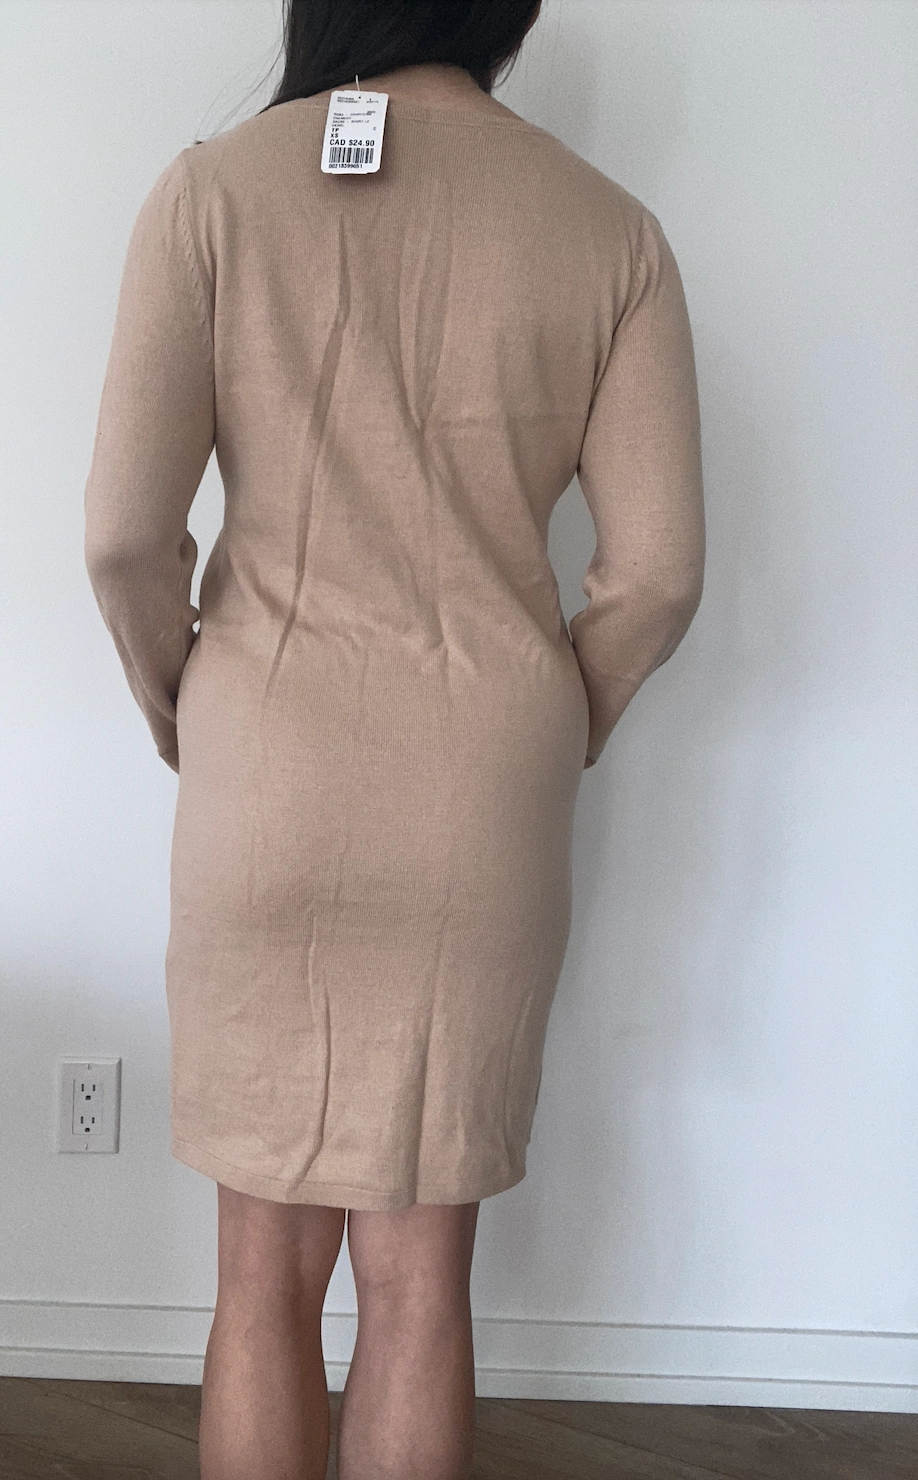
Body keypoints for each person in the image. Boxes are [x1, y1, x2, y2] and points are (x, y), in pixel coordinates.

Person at [82, 0, 705, 1474]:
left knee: (260, 1271)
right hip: (483, 783)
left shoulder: (213, 193)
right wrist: (555, 720)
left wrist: (192, 709)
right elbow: (660, 573)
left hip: (264, 759)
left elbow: (122, 536)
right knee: (423, 1279)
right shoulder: (610, 233)